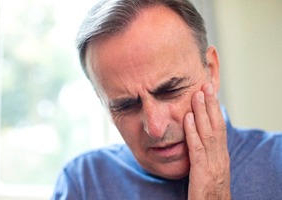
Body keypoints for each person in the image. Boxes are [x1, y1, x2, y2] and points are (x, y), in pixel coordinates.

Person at [52, 0, 282, 199]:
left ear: (211, 70)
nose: (156, 127)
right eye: (125, 105)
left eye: (170, 91)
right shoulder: (83, 183)